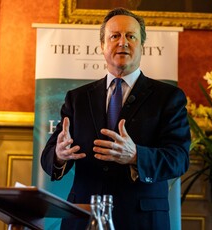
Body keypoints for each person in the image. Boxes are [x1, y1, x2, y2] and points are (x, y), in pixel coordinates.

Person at [41, 7, 190, 230]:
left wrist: (136, 155)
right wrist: (59, 156)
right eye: (115, 36)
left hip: (141, 220)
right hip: (82, 216)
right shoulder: (77, 98)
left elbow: (179, 159)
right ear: (102, 46)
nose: (123, 42)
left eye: (131, 36)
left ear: (142, 46)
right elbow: (49, 158)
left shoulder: (168, 97)